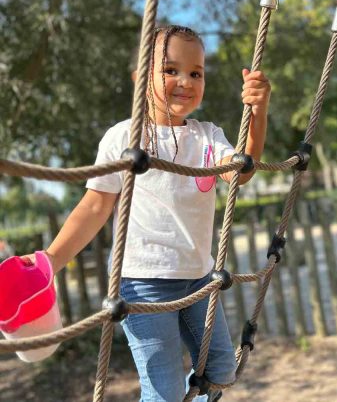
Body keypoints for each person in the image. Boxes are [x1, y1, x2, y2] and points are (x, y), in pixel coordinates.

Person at [21, 25, 271, 402]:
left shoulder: (208, 136)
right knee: (164, 389)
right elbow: (94, 205)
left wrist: (258, 111)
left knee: (220, 372)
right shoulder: (124, 139)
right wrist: (51, 261)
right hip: (142, 282)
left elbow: (242, 170)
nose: (185, 81)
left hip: (200, 277)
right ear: (141, 79)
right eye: (170, 70)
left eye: (195, 73)